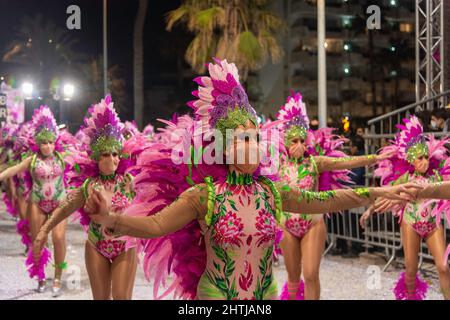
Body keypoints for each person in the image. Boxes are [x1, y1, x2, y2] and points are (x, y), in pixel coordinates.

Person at [83, 59, 421, 300]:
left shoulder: (271, 192)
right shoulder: (205, 195)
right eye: (244, 139)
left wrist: (381, 190)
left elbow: (325, 201)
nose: (254, 146)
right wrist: (111, 219)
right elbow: (157, 225)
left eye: (256, 138)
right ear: (225, 148)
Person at [275, 92, 393, 299]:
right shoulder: (276, 166)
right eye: (294, 140)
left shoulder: (315, 163)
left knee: (311, 274)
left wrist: (375, 157)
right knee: (293, 278)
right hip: (286, 224)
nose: (299, 145)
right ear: (285, 141)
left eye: (302, 140)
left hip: (312, 223)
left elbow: (345, 162)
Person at [33, 95, 141, 300]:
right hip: (96, 246)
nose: (113, 159)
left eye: (116, 154)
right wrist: (43, 231)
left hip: (125, 246)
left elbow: (153, 208)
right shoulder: (89, 185)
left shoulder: (129, 182)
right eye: (106, 155)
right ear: (96, 157)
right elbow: (65, 208)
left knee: (121, 297)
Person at [361, 115, 450, 300]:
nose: (425, 161)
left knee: (443, 267)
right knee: (410, 269)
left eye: (427, 156)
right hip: (410, 224)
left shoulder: (436, 176)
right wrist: (369, 210)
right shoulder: (405, 179)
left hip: (433, 224)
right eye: (420, 158)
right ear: (411, 160)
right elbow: (386, 194)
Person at [0, 106, 67, 295]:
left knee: (59, 238)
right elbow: (12, 170)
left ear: (55, 142)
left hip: (59, 203)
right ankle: (40, 276)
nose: (48, 146)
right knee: (38, 241)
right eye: (44, 143)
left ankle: (57, 277)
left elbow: (84, 161)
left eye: (51, 142)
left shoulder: (62, 158)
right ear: (38, 143)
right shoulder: (32, 160)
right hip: (37, 204)